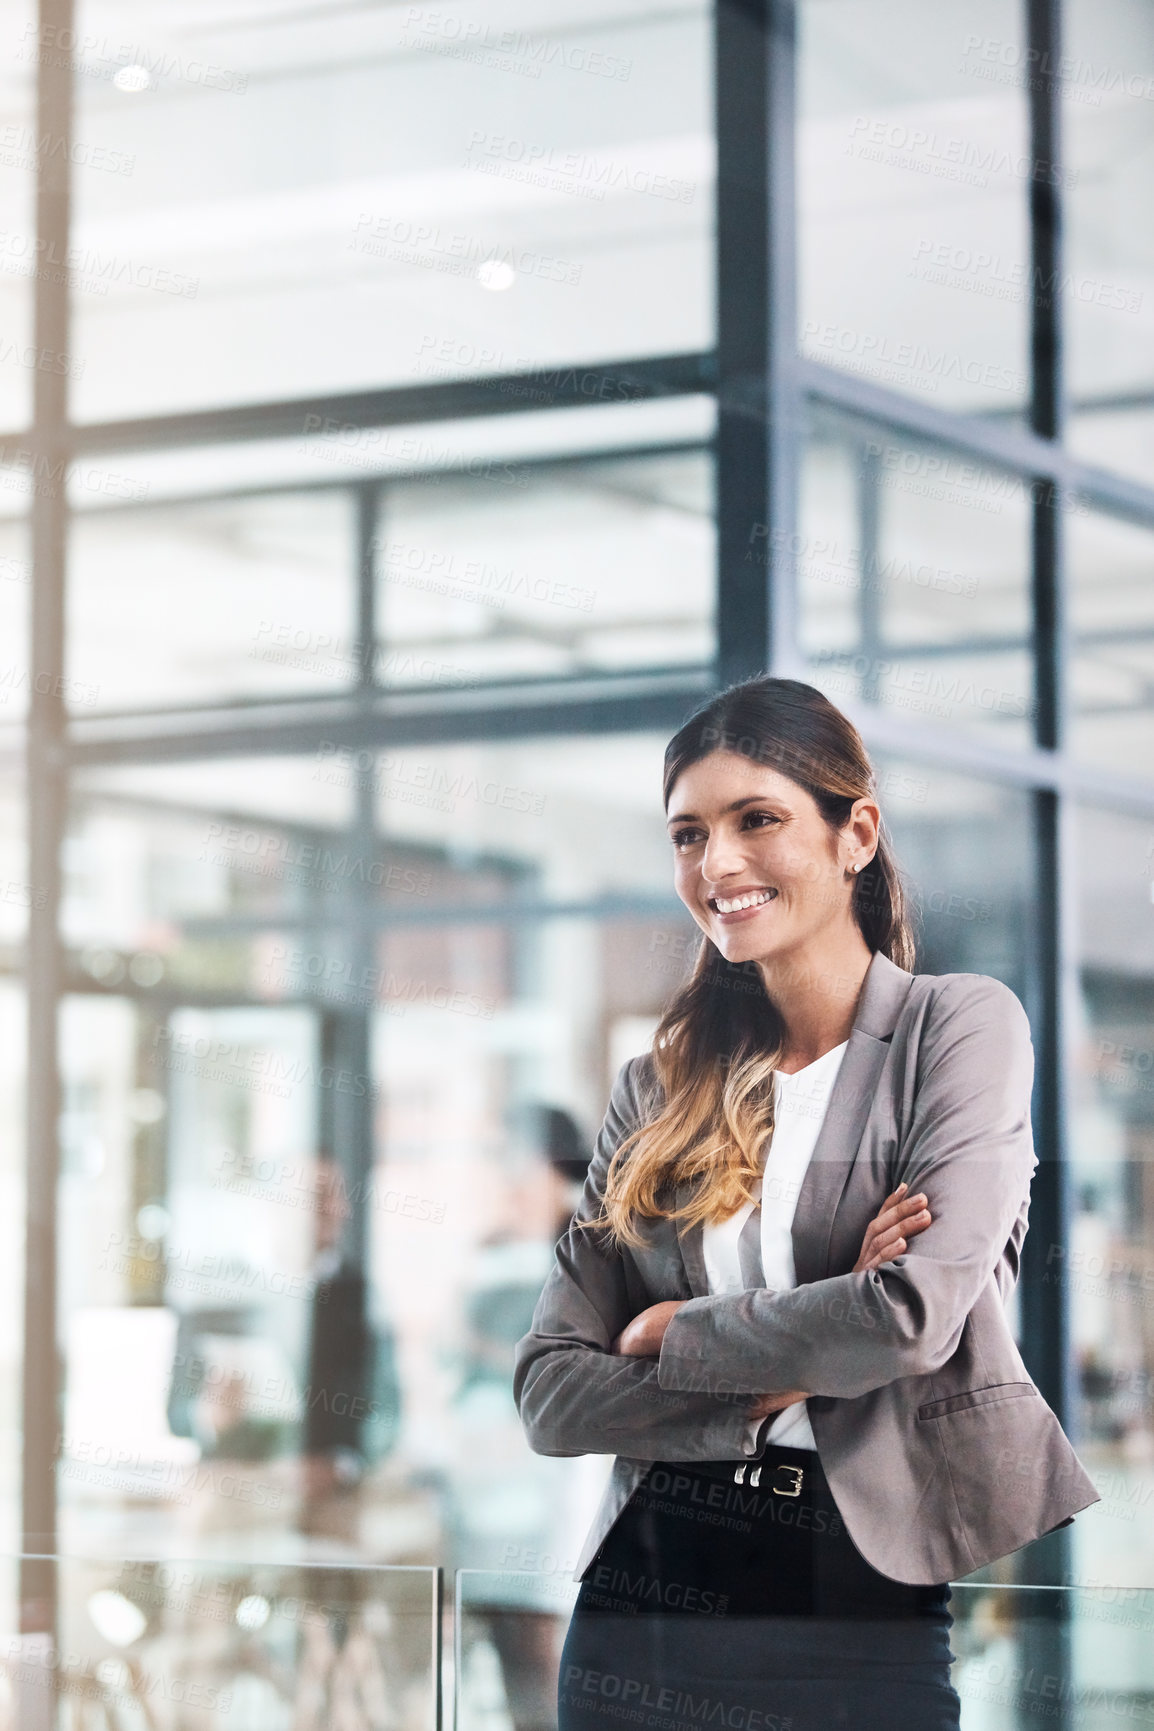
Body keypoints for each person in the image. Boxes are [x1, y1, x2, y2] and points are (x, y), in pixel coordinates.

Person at [514, 677, 1100, 1731]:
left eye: (757, 820)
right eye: (688, 834)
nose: (717, 864)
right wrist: (816, 1333)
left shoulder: (954, 1032)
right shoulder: (655, 1086)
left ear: (854, 833)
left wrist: (667, 1334)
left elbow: (910, 1317)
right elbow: (551, 1393)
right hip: (640, 1594)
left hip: (853, 1598)